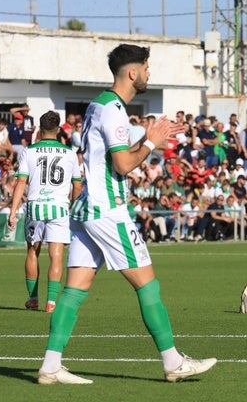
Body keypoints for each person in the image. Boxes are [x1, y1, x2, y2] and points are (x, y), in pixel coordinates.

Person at [36, 44, 215, 385]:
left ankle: (50, 366)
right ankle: (173, 361)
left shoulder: (98, 105)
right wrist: (150, 143)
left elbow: (111, 158)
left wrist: (150, 139)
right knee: (148, 285)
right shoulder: (114, 110)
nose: (149, 73)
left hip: (88, 208)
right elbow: (122, 165)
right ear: (132, 72)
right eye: (147, 67)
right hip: (108, 211)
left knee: (75, 288)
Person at [7, 111, 83, 313]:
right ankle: (51, 302)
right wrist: (72, 206)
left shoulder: (29, 151)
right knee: (56, 255)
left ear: (39, 130)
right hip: (59, 208)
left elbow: (21, 181)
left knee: (33, 251)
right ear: (58, 130)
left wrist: (13, 211)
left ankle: (33, 299)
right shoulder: (69, 153)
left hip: (35, 207)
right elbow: (77, 186)